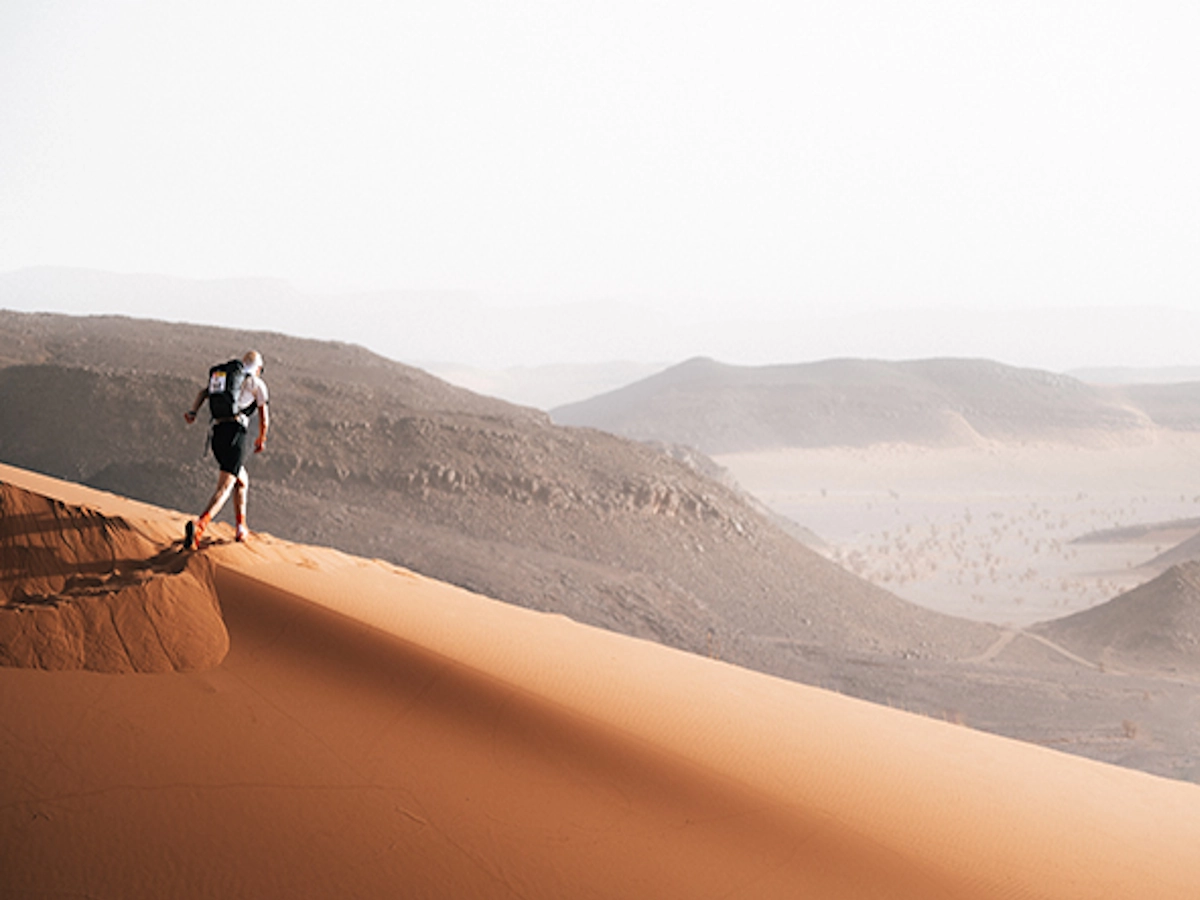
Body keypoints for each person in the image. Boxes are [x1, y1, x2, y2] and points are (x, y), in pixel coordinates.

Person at [183, 350, 270, 548]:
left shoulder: (227, 378)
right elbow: (264, 417)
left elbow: (203, 393)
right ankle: (199, 526)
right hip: (235, 435)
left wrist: (193, 412)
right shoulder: (257, 384)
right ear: (257, 368)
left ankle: (241, 528)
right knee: (224, 487)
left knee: (241, 480)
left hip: (217, 434)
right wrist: (261, 438)